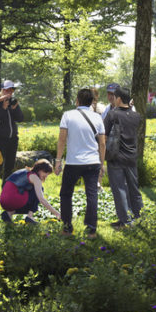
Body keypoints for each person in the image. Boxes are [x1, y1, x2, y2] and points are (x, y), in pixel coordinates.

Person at [56, 87, 107, 236]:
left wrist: (58, 161)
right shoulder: (98, 118)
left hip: (73, 163)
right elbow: (102, 144)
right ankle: (91, 229)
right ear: (92, 102)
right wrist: (102, 164)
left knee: (66, 194)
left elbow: (62, 139)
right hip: (92, 163)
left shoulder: (68, 115)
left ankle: (67, 227)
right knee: (92, 194)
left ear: (77, 100)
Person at [104, 88, 144, 228]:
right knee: (134, 188)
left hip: (116, 157)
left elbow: (104, 135)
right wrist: (131, 107)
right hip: (131, 157)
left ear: (119, 99)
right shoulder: (136, 116)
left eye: (115, 97)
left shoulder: (112, 114)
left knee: (119, 189)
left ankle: (125, 221)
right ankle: (139, 216)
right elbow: (129, 114)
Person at [0, 79, 24, 197]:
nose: (10, 92)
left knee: (9, 167)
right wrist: (3, 108)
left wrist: (14, 109)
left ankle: (6, 193)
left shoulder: (13, 101)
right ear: (2, 90)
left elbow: (20, 118)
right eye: (7, 90)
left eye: (12, 90)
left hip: (13, 139)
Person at [0, 159, 59, 225]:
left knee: (30, 190)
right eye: (46, 172)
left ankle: (8, 214)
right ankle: (30, 216)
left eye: (48, 174)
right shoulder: (35, 178)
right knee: (40, 189)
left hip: (3, 201)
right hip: (13, 200)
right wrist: (57, 214)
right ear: (40, 170)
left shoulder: (25, 171)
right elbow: (41, 199)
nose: (46, 176)